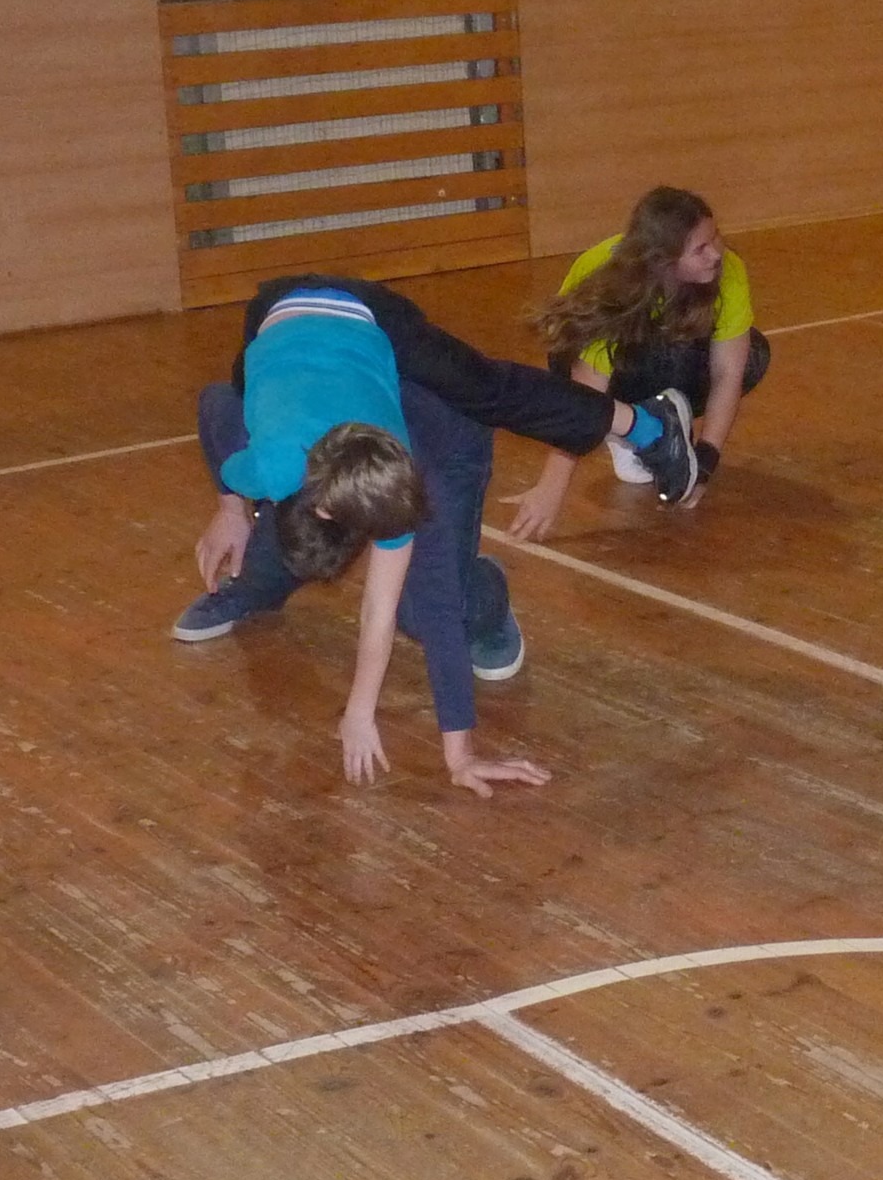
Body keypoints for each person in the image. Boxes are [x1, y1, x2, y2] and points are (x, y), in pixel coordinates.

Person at [175, 275, 696, 793]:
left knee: (427, 604)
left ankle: (491, 586)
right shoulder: (267, 468)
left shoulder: (388, 481)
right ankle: (254, 583)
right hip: (283, 317)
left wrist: (454, 755)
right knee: (279, 538)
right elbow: (215, 400)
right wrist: (230, 511)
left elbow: (386, 611)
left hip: (429, 405)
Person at [507, 186, 768, 540]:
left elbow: (728, 373)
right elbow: (586, 391)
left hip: (660, 354)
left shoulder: (728, 270)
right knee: (668, 357)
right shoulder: (608, 280)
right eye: (700, 249)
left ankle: (655, 427)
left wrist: (705, 461)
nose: (716, 254)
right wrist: (551, 485)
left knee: (754, 354)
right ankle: (628, 429)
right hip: (594, 369)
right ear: (663, 262)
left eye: (715, 237)